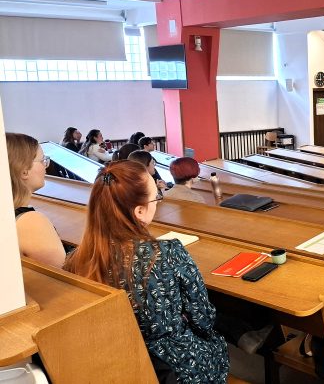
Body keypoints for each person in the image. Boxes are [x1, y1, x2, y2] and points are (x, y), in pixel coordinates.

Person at [64, 160, 229, 382]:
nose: (158, 202)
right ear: (140, 211)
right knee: (217, 340)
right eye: (156, 197)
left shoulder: (77, 259)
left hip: (117, 362)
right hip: (173, 367)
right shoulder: (168, 253)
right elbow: (203, 319)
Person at [7, 133, 66, 267]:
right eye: (42, 160)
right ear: (24, 171)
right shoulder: (31, 221)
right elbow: (65, 272)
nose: (46, 166)